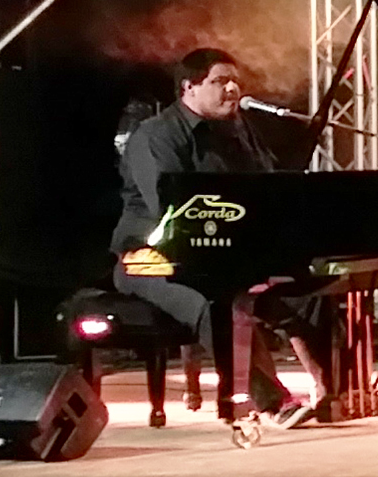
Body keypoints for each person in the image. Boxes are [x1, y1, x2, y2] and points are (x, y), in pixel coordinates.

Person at [110, 48, 319, 424]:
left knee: (311, 293)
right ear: (188, 87)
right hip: (152, 258)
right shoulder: (155, 135)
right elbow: (172, 211)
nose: (233, 89)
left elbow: (268, 188)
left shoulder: (239, 130)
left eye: (235, 81)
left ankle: (338, 391)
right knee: (212, 304)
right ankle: (271, 401)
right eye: (221, 81)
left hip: (226, 251)